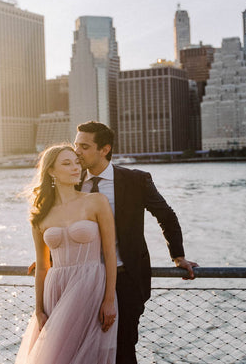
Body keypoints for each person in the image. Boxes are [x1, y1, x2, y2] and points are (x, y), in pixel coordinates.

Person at [74, 121, 198, 364]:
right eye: (75, 145)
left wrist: (178, 256)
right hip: (82, 278)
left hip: (126, 279)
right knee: (84, 350)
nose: (77, 152)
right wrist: (49, 257)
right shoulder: (71, 180)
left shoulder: (136, 181)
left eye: (84, 146)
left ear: (105, 149)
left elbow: (167, 216)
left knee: (123, 349)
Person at [16, 144, 118, 363]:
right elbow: (43, 267)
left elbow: (110, 254)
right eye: (66, 163)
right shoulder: (40, 215)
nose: (75, 168)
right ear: (51, 171)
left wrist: (109, 300)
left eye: (76, 163)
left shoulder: (96, 202)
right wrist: (38, 310)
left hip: (91, 286)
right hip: (56, 289)